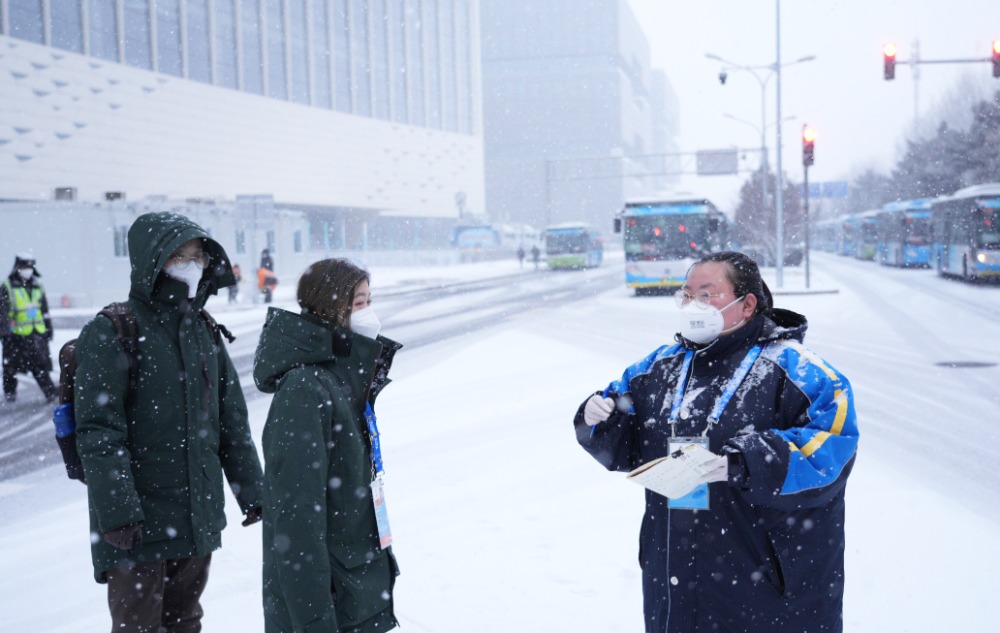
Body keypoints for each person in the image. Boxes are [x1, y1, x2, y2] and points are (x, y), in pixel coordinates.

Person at [574, 251, 858, 633]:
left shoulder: (802, 372)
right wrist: (601, 420)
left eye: (707, 295)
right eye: (687, 295)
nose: (694, 305)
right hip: (673, 581)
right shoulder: (659, 367)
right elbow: (622, 442)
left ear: (747, 305)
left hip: (768, 590)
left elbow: (831, 450)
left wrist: (743, 463)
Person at [74, 212, 265, 632]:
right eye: (179, 256)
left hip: (195, 515)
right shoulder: (112, 331)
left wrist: (254, 491)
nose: (190, 266)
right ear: (152, 260)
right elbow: (99, 431)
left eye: (196, 256)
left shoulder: (203, 331)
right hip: (137, 528)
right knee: (138, 627)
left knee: (185, 622)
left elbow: (230, 420)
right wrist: (120, 512)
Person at [254, 258, 402, 633]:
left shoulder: (340, 378)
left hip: (355, 587)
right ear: (325, 309)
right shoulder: (306, 390)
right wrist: (315, 617)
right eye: (358, 304)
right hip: (332, 601)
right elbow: (296, 520)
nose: (368, 313)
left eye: (369, 301)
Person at [1, 253, 57, 403]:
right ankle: (10, 393)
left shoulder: (37, 285)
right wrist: (5, 332)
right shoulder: (8, 286)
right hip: (16, 335)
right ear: (18, 269)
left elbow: (44, 310)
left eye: (30, 267)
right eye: (25, 267)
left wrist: (48, 328)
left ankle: (50, 392)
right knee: (10, 367)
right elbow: (3, 312)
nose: (28, 270)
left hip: (36, 332)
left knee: (40, 365)